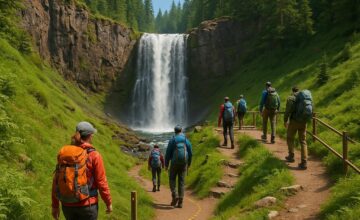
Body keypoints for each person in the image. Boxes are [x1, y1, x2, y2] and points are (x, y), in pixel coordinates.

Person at [52, 121, 112, 220]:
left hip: (67, 205)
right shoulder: (94, 155)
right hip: (88, 205)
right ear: (90, 136)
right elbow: (101, 182)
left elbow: (56, 181)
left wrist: (55, 206)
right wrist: (108, 202)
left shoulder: (66, 154)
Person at [284, 87, 313, 170]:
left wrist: (285, 120)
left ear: (292, 91)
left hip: (294, 121)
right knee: (303, 141)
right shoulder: (306, 97)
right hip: (304, 122)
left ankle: (291, 156)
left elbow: (288, 111)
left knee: (290, 138)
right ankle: (304, 162)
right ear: (299, 91)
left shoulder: (291, 98)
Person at [165, 125, 192, 208]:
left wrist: (166, 165)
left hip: (174, 163)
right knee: (181, 181)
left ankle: (174, 194)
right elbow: (190, 153)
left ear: (174, 131)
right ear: (181, 131)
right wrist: (189, 164)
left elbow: (168, 154)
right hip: (184, 163)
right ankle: (180, 202)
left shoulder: (172, 140)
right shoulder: (185, 140)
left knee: (172, 179)